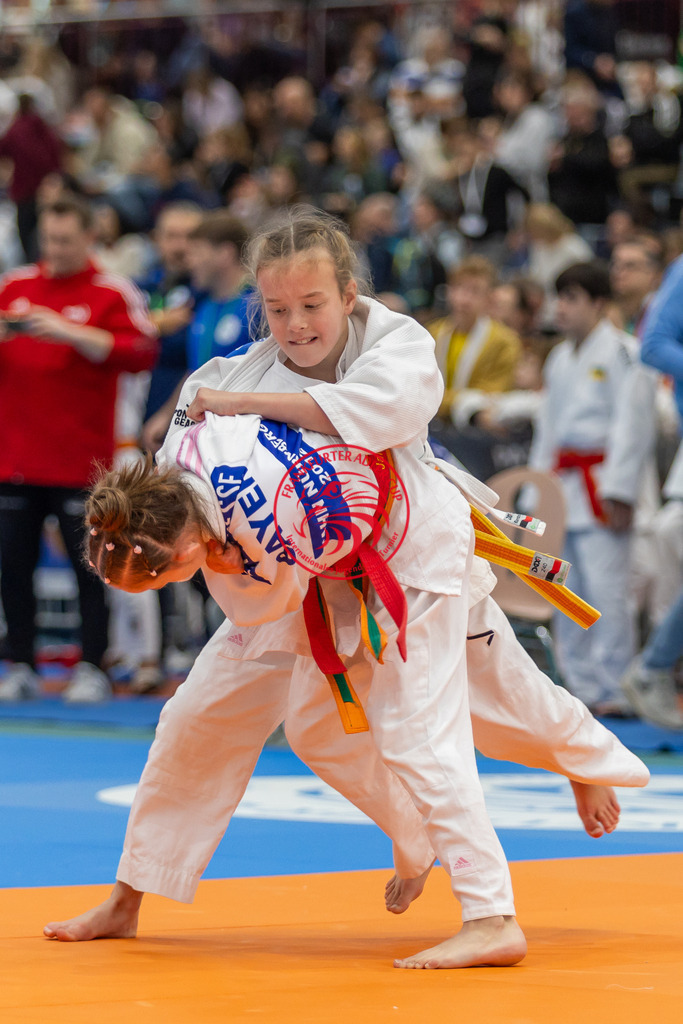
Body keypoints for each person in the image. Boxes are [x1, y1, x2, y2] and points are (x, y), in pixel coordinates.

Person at [44, 210, 649, 970]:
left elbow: (370, 416)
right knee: (199, 719)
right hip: (285, 576)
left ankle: (496, 907)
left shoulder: (396, 342)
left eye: (312, 305)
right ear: (256, 306)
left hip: (409, 559)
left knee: (459, 712)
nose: (295, 325)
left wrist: (248, 410)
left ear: (348, 294)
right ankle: (130, 896)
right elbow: (178, 500)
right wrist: (192, 537)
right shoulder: (225, 380)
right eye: (277, 309)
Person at [0, 195, 158, 703]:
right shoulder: (15, 286)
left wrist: (71, 333)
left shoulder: (111, 291)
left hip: (83, 463)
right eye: (49, 239)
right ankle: (20, 663)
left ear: (90, 236)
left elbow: (143, 351)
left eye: (66, 240)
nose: (56, 249)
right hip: (16, 458)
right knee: (13, 568)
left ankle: (93, 665)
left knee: (92, 570)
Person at [528, 260, 657, 714]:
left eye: (572, 298)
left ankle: (615, 689)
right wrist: (534, 496)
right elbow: (547, 431)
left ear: (599, 304)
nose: (560, 308)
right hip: (563, 487)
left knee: (607, 592)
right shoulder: (560, 357)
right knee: (564, 587)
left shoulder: (626, 353)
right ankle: (579, 686)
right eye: (559, 297)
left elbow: (633, 427)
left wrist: (620, 491)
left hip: (602, 488)